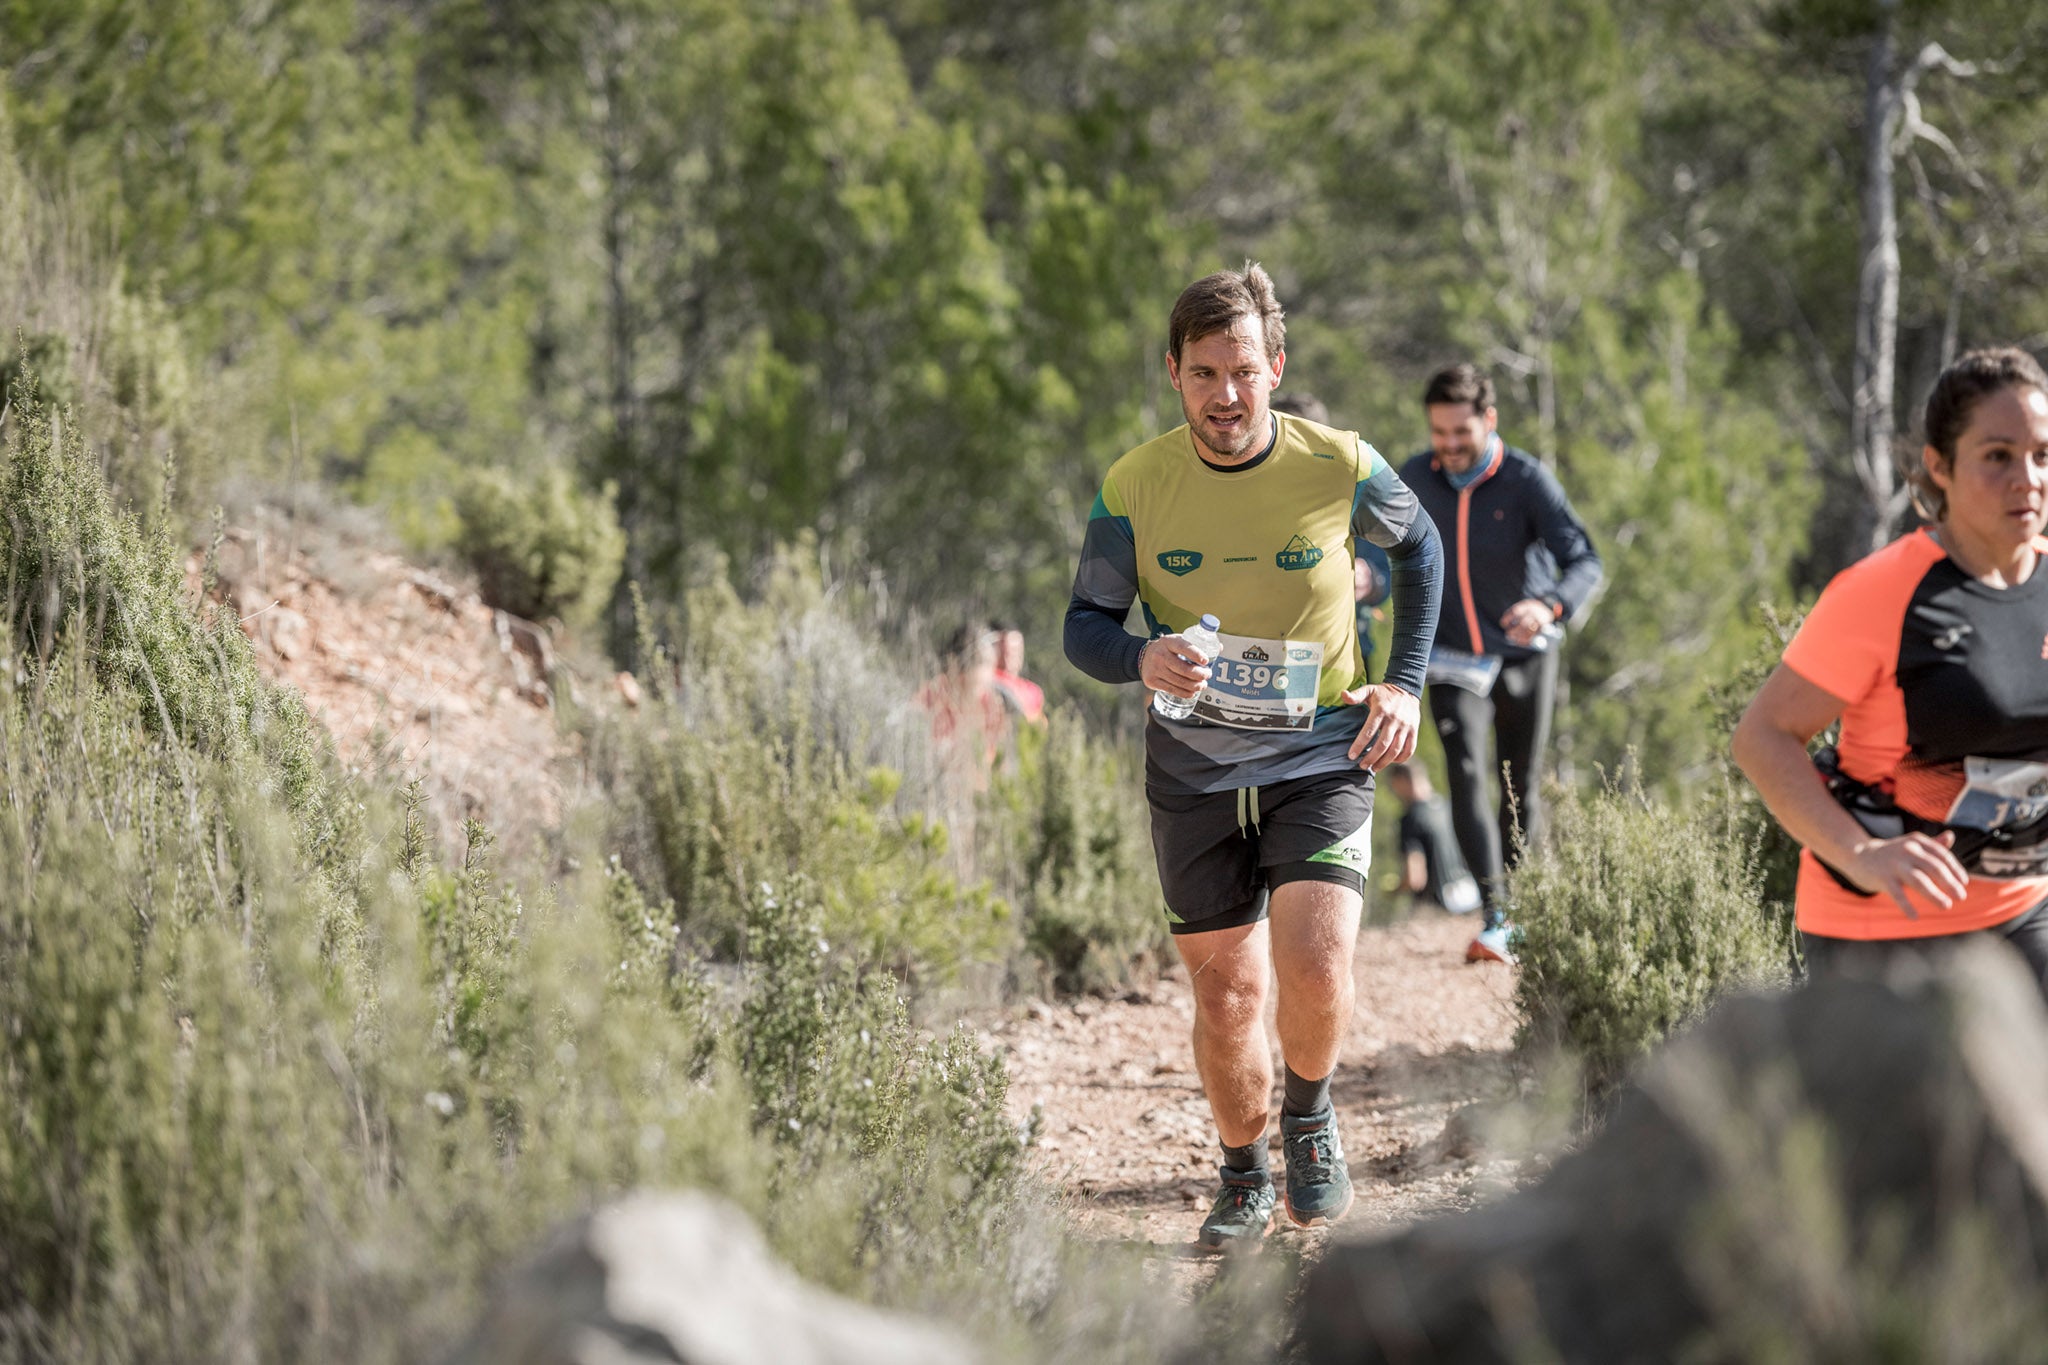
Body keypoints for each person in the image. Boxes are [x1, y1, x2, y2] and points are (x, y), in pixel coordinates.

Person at [1063, 263, 1443, 1251]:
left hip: (1319, 746)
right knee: (1228, 995)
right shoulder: (1134, 486)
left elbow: (1420, 551)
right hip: (1191, 767)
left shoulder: (1339, 463)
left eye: (1240, 370)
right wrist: (1140, 653)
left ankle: (1309, 1118)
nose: (1223, 396)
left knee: (1313, 968)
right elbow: (1083, 626)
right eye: (1202, 375)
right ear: (1173, 375)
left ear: (1274, 366)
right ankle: (1240, 1169)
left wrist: (1400, 683)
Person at [1732, 347, 2048, 997]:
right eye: (1997, 455)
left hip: (2023, 914)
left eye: (2042, 454)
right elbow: (1762, 737)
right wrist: (1860, 854)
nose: (2028, 477)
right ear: (1940, 466)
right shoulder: (1884, 592)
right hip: (1884, 931)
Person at [1397, 364, 1602, 965]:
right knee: (1464, 772)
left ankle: (1527, 909)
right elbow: (1389, 556)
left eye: (1461, 432)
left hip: (1522, 652)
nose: (1450, 445)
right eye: (1440, 433)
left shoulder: (1525, 479)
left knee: (1518, 786)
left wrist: (1549, 605)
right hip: (1453, 653)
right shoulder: (1414, 477)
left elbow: (1584, 559)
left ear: (1488, 420)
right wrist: (1369, 580)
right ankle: (1496, 918)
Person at [1384, 763, 1481, 915]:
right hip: (1472, 896)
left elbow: (1415, 878)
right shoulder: (1449, 807)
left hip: (1439, 907)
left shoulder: (1412, 817)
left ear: (1401, 781)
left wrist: (1395, 890)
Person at [916, 623, 1008, 781]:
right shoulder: (930, 698)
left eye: (991, 663)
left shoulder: (994, 707)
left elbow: (1001, 765)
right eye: (981, 662)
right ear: (954, 664)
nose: (990, 674)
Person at [988, 620, 1047, 724]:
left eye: (1016, 650)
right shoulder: (988, 681)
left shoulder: (1033, 691)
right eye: (1007, 649)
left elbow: (1040, 728)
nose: (1012, 655)